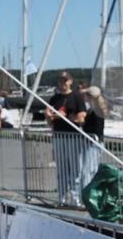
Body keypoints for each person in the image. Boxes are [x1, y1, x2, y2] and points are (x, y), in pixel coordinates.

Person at [44, 71, 86, 206]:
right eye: (61, 81)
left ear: (70, 81)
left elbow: (82, 117)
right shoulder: (54, 99)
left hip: (73, 136)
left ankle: (75, 199)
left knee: (75, 169)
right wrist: (48, 116)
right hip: (58, 136)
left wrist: (64, 116)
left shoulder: (77, 96)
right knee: (61, 168)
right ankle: (61, 198)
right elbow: (50, 122)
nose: (63, 83)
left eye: (65, 80)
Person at [80, 85, 108, 188]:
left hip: (93, 142)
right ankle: (89, 189)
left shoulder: (96, 110)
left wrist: (82, 122)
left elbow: (96, 128)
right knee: (91, 168)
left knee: (88, 170)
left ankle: (87, 190)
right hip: (94, 141)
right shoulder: (94, 109)